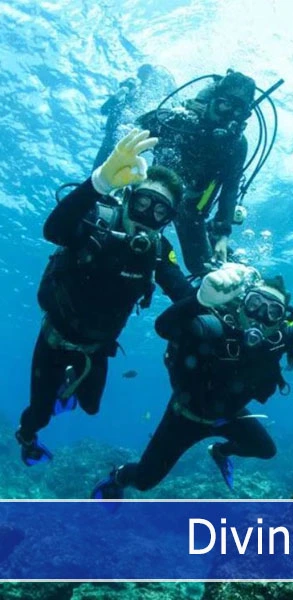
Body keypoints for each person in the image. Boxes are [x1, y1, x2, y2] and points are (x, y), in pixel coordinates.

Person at [90, 256, 293, 498]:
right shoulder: (213, 323)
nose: (260, 316)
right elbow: (164, 327)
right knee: (144, 481)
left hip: (228, 416)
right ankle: (118, 476)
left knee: (266, 450)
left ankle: (220, 451)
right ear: (242, 304)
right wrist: (199, 301)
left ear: (281, 320)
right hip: (183, 416)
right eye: (255, 303)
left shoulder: (280, 338)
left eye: (272, 312)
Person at [16, 129, 194, 466]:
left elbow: (182, 293)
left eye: (160, 212)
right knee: (39, 415)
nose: (148, 215)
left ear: (168, 221)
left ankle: (68, 383)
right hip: (54, 339)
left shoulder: (159, 249)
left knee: (91, 407)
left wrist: (210, 296)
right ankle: (26, 436)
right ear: (128, 196)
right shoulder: (97, 218)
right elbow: (54, 231)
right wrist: (98, 183)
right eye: (143, 202)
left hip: (97, 347)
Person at [135, 69, 258, 276]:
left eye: (239, 112)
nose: (229, 117)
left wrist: (223, 235)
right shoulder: (179, 120)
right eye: (225, 105)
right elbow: (135, 131)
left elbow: (230, 189)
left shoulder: (236, 145)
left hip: (193, 211)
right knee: (135, 247)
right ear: (211, 100)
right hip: (155, 200)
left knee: (201, 267)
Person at [93, 64, 176, 171]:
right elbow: (104, 109)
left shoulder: (152, 95)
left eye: (146, 73)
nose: (144, 77)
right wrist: (119, 94)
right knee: (99, 172)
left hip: (133, 143)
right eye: (142, 73)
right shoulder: (129, 90)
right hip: (112, 138)